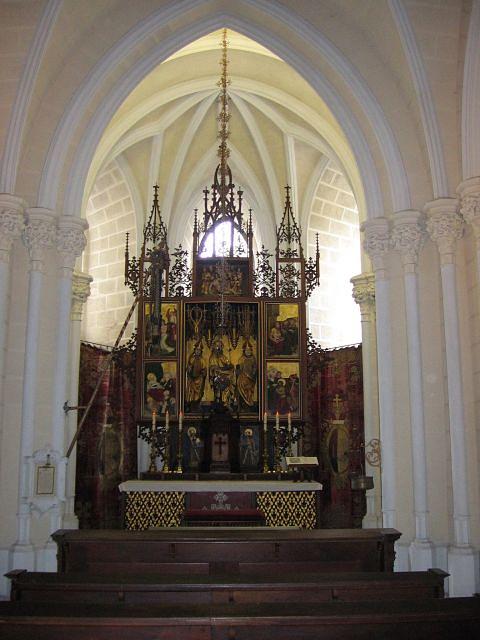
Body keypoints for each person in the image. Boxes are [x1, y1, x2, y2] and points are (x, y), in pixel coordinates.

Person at [185, 342, 207, 410]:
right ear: (194, 350)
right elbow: (188, 367)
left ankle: (197, 403)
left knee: (198, 393)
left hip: (199, 379)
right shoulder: (192, 358)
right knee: (191, 392)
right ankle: (189, 404)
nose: (198, 351)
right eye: (197, 350)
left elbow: (204, 369)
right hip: (191, 379)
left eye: (199, 350)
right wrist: (189, 369)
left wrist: (203, 373)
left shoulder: (202, 360)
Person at [236, 341, 257, 410]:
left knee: (250, 392)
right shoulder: (242, 359)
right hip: (243, 378)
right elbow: (239, 369)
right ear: (244, 351)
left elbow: (255, 367)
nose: (248, 352)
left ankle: (249, 404)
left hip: (251, 378)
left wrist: (253, 373)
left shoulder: (253, 359)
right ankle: (243, 405)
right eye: (247, 350)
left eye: (249, 350)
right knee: (243, 391)